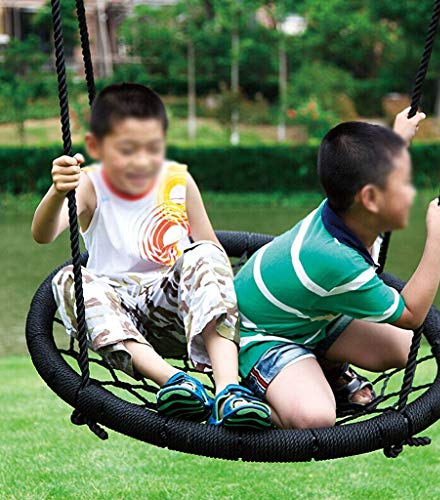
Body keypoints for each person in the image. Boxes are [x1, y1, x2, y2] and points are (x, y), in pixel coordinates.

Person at [31, 83, 271, 429]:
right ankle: (174, 382)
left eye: (153, 148)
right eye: (127, 150)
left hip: (178, 313)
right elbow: (43, 234)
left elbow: (210, 248)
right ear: (97, 146)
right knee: (68, 278)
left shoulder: (179, 181)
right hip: (119, 321)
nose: (142, 160)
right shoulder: (89, 185)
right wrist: (57, 192)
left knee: (206, 252)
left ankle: (228, 389)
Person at [234, 109, 440, 429]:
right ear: (370, 199)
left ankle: (323, 366)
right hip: (260, 333)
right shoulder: (336, 258)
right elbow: (411, 313)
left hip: (311, 319)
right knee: (317, 417)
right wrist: (438, 238)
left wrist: (397, 140)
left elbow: (367, 174)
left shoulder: (349, 212)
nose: (411, 192)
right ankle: (247, 400)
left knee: (402, 346)